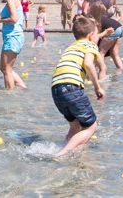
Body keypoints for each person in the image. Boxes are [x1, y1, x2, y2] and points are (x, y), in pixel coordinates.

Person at [50, 16, 105, 158]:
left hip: (56, 88)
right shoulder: (90, 45)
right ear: (91, 35)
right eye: (97, 34)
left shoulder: (72, 46)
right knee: (91, 127)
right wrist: (97, 87)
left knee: (75, 127)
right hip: (71, 87)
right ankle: (62, 154)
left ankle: (66, 148)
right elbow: (88, 64)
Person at [89, 2, 122, 73]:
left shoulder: (95, 20)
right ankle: (120, 71)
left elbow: (96, 35)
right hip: (120, 27)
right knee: (114, 54)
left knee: (101, 52)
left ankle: (100, 71)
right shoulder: (103, 18)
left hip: (112, 29)